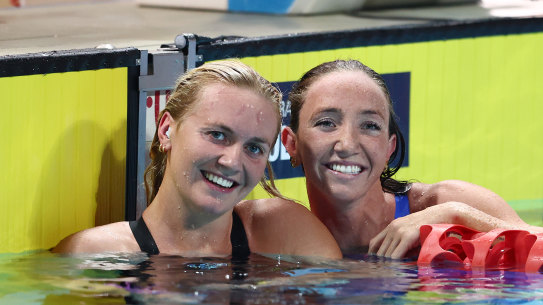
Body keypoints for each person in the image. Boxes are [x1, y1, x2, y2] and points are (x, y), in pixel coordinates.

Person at [53, 60, 341, 259]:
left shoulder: (286, 232)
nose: (231, 161)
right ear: (167, 130)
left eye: (254, 148)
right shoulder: (95, 256)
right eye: (217, 135)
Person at [280, 59, 543, 259]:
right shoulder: (279, 236)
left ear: (388, 149)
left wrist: (454, 214)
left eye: (370, 126)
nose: (348, 144)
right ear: (292, 144)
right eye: (326, 123)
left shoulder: (442, 202)